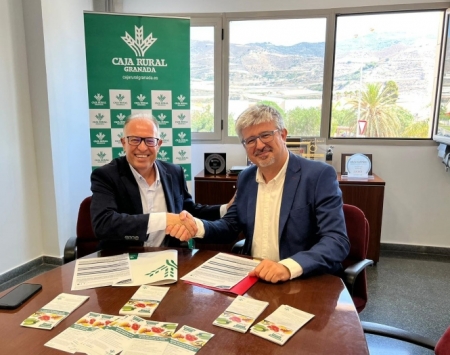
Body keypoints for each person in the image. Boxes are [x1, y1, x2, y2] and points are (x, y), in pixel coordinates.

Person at [167, 104, 350, 283]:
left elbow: (336, 240)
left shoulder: (318, 175)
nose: (259, 145)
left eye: (265, 135)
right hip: (255, 277)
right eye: (251, 140)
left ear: (283, 134)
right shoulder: (246, 178)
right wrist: (197, 226)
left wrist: (288, 267)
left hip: (304, 278)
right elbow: (230, 226)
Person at [90, 113, 231, 250]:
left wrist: (224, 209)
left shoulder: (174, 172)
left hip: (166, 257)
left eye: (150, 140)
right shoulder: (106, 175)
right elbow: (104, 224)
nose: (142, 147)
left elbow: (188, 211)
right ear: (123, 143)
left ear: (159, 144)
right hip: (123, 258)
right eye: (134, 139)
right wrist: (164, 219)